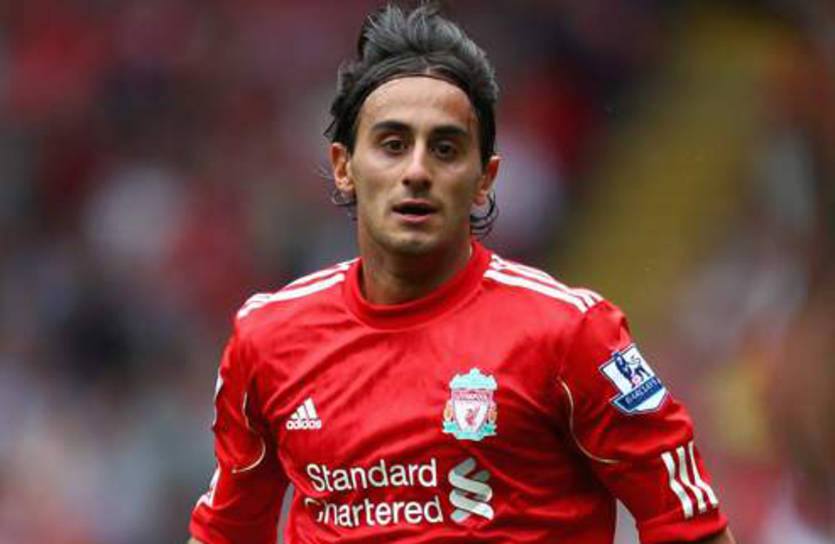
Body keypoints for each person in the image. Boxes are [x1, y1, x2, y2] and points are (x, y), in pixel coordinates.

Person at [188, 4, 735, 543]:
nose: (417, 171)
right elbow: (226, 533)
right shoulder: (268, 338)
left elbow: (690, 528)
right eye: (392, 145)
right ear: (344, 167)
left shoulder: (572, 333)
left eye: (445, 149)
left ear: (484, 179)